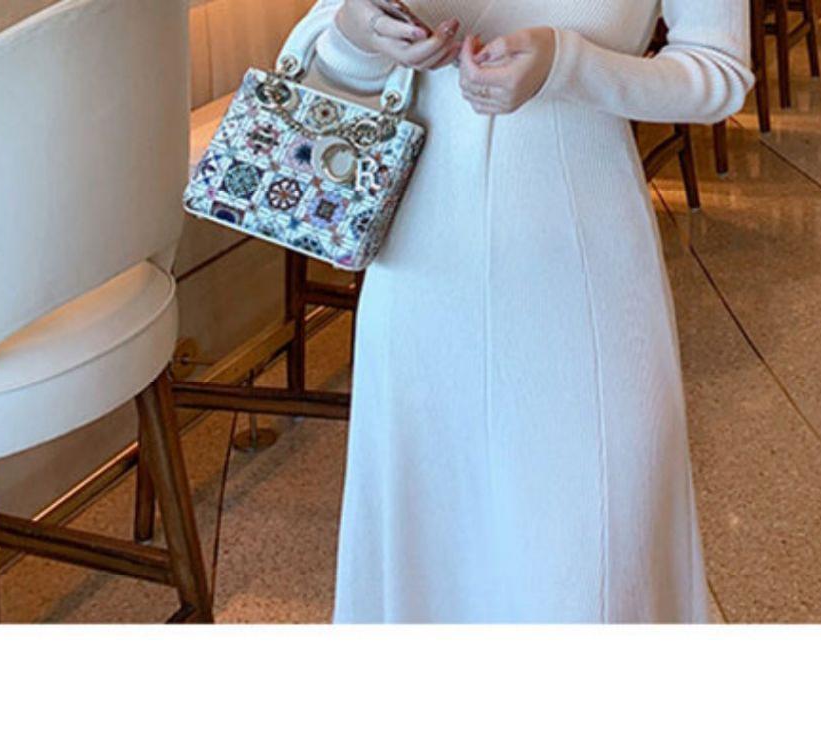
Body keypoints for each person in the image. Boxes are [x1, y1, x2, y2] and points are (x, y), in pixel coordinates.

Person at [296, 0, 754, 622]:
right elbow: (323, 59)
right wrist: (360, 33)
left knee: (597, 553)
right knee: (427, 550)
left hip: (584, 272)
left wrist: (569, 65)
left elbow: (719, 73)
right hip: (421, 271)